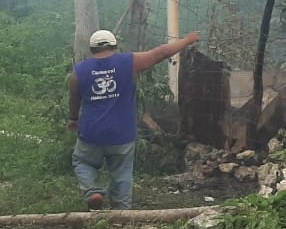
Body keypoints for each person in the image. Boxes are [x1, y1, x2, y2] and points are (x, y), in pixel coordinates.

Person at [68, 29, 201, 210]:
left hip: (92, 132)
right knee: (122, 173)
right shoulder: (129, 62)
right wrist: (187, 40)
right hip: (122, 133)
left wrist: (73, 119)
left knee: (83, 161)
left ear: (92, 49)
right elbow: (161, 52)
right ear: (114, 46)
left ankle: (93, 192)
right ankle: (122, 214)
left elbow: (74, 99)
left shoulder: (79, 71)